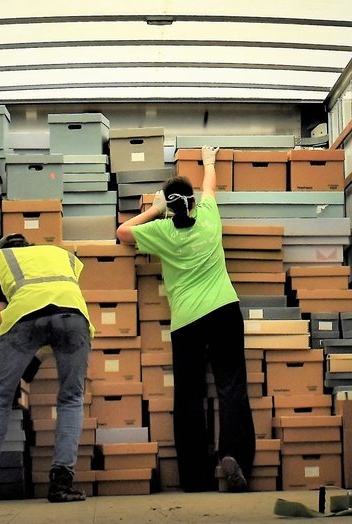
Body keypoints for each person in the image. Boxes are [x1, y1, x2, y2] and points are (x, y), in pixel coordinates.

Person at [116, 145, 255, 493]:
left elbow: (122, 232)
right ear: (191, 200)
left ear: (169, 205)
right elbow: (210, 186)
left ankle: (194, 478)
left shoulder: (162, 232)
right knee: (232, 387)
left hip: (187, 321)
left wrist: (153, 210)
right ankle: (234, 455)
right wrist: (209, 161)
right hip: (224, 310)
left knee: (189, 396)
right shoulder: (209, 216)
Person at [0, 233, 93, 503]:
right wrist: (39, 354)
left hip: (23, 320)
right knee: (71, 398)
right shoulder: (59, 254)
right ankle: (61, 483)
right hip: (72, 317)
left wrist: (20, 361)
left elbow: (3, 319)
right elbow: (57, 306)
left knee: (1, 396)